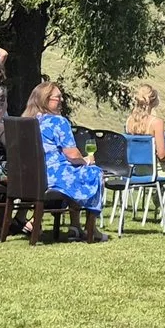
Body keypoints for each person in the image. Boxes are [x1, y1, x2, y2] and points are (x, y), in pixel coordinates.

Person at [22, 80, 107, 242]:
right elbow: (72, 155)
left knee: (79, 175)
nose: (62, 100)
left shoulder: (27, 121)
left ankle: (75, 227)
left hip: (30, 175)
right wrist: (87, 160)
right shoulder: (58, 122)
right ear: (45, 99)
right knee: (94, 173)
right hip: (54, 176)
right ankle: (91, 229)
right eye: (58, 97)